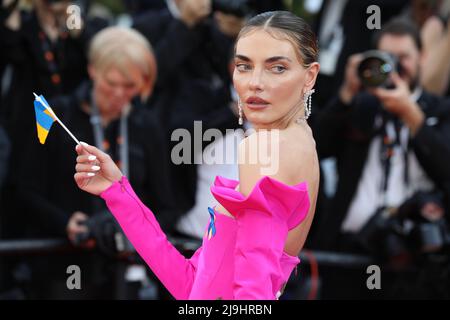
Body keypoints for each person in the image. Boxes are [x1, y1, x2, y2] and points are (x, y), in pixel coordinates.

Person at [74, 11, 320, 300]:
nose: (255, 82)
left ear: (309, 75)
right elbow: (192, 283)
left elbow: (252, 298)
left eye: (276, 68)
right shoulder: (303, 144)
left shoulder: (262, 147)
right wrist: (117, 192)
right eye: (244, 66)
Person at [14, 26, 177, 299]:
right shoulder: (58, 115)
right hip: (63, 268)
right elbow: (23, 188)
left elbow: (168, 204)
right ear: (92, 70)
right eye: (111, 83)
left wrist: (132, 226)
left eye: (130, 87)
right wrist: (65, 222)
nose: (119, 94)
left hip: (126, 268)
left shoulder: (146, 125)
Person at [314, 18, 450, 298]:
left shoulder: (439, 110)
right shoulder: (359, 106)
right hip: (349, 252)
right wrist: (346, 94)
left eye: (404, 58)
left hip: (414, 256)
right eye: (386, 59)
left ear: (423, 57)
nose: (396, 68)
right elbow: (314, 148)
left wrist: (413, 117)